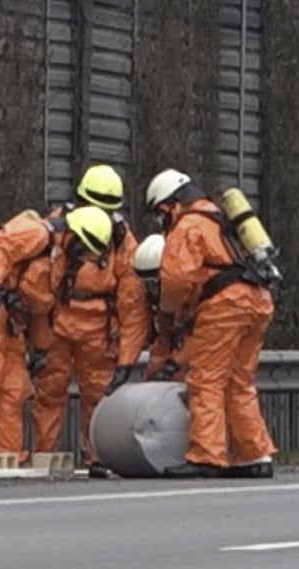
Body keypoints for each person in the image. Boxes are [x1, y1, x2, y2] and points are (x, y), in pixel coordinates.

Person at [0, 208, 108, 467]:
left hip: (11, 318)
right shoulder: (39, 233)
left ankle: (4, 451)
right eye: (83, 249)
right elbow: (1, 245)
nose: (83, 257)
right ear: (73, 235)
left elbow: (42, 308)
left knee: (14, 386)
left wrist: (41, 349)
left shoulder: (63, 263)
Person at [144, 168, 277, 478]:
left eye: (160, 215)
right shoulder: (222, 221)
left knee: (207, 379)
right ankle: (254, 456)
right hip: (258, 299)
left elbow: (177, 281)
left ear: (169, 206)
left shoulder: (188, 225)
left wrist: (168, 310)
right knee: (239, 381)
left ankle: (206, 456)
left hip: (226, 304)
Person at [32, 166, 151, 479]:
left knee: (96, 395)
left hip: (95, 328)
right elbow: (36, 279)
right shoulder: (59, 227)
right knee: (49, 391)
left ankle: (97, 456)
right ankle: (45, 456)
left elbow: (133, 303)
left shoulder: (121, 241)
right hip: (60, 322)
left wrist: (126, 359)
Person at [133, 233, 187, 381]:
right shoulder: (159, 308)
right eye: (148, 284)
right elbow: (163, 343)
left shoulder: (190, 300)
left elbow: (199, 340)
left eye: (155, 283)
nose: (152, 289)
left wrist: (174, 365)